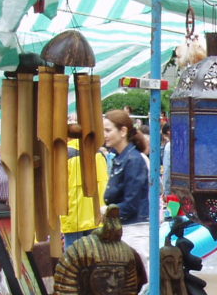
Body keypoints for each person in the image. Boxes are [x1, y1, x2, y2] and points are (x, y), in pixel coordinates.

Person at [102, 109, 151, 265]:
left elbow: (132, 203)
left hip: (135, 231)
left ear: (123, 131)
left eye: (108, 130)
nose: (104, 134)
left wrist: (108, 211)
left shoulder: (133, 160)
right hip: (127, 228)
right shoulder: (121, 157)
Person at [62, 120, 109, 248]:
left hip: (73, 216)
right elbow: (104, 182)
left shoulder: (63, 154)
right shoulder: (98, 153)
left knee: (73, 260)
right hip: (96, 214)